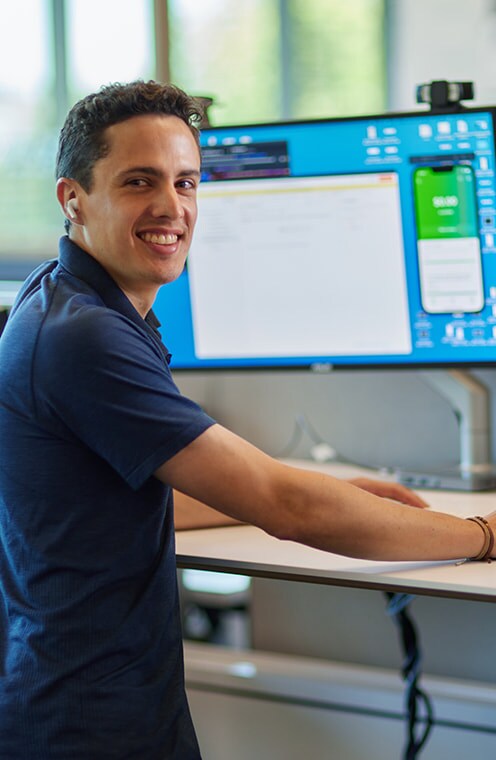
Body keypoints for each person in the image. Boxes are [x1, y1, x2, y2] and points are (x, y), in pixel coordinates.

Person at [0, 80, 493, 760]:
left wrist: (337, 491)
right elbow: (285, 508)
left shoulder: (62, 298)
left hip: (78, 694)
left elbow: (120, 498)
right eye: (140, 182)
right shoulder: (85, 337)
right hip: (90, 719)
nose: (171, 207)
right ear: (72, 197)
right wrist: (482, 534)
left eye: (187, 183)